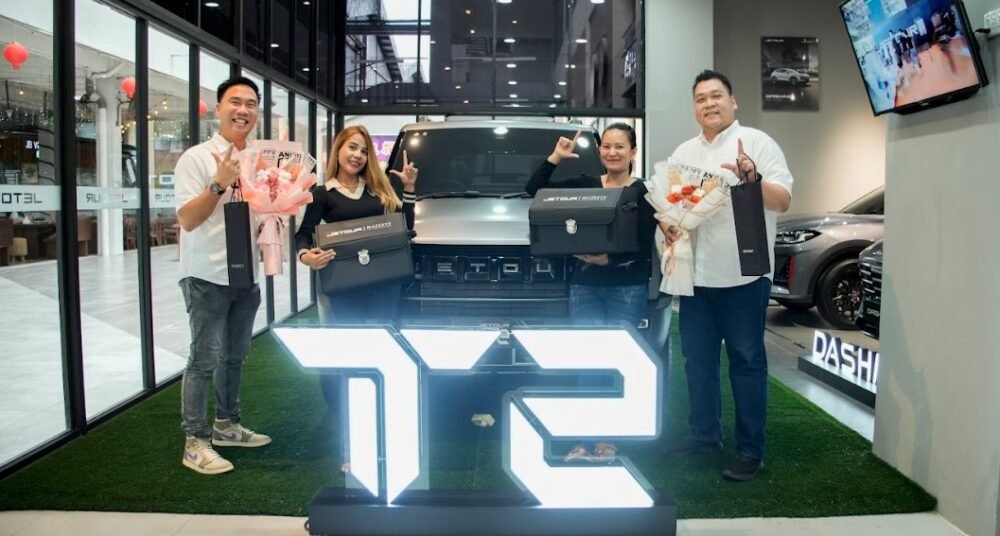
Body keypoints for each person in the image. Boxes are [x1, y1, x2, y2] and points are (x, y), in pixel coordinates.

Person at [662, 70, 792, 482]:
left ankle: (751, 450)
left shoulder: (756, 142)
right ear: (694, 108)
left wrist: (752, 179)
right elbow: (673, 206)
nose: (709, 104)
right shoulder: (683, 152)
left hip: (743, 276)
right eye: (701, 98)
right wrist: (668, 223)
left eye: (716, 96)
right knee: (697, 362)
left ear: (733, 101)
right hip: (696, 278)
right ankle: (705, 436)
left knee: (747, 364)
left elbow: (783, 201)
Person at [526, 123, 673, 462]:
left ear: (633, 151)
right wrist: (556, 157)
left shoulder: (646, 192)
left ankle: (608, 439)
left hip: (627, 287)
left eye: (620, 146)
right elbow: (534, 189)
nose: (612, 152)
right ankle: (583, 439)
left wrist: (610, 260)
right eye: (606, 146)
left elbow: (644, 245)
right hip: (586, 287)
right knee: (587, 359)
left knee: (618, 361)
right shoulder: (585, 185)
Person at [174, 76, 271, 476]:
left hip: (245, 275)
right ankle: (194, 442)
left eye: (251, 103)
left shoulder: (261, 162)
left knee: (234, 356)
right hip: (206, 275)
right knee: (204, 358)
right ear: (218, 109)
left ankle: (227, 425)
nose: (243, 110)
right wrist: (218, 184)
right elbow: (187, 219)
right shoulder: (197, 158)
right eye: (235, 102)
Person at [295, 125, 418, 405]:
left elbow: (404, 227)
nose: (358, 155)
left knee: (383, 341)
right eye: (352, 147)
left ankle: (383, 401)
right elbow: (303, 233)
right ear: (338, 149)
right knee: (350, 344)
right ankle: (350, 404)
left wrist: (409, 189)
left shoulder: (378, 189)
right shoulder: (322, 193)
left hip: (384, 283)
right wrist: (306, 256)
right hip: (345, 285)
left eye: (364, 151)